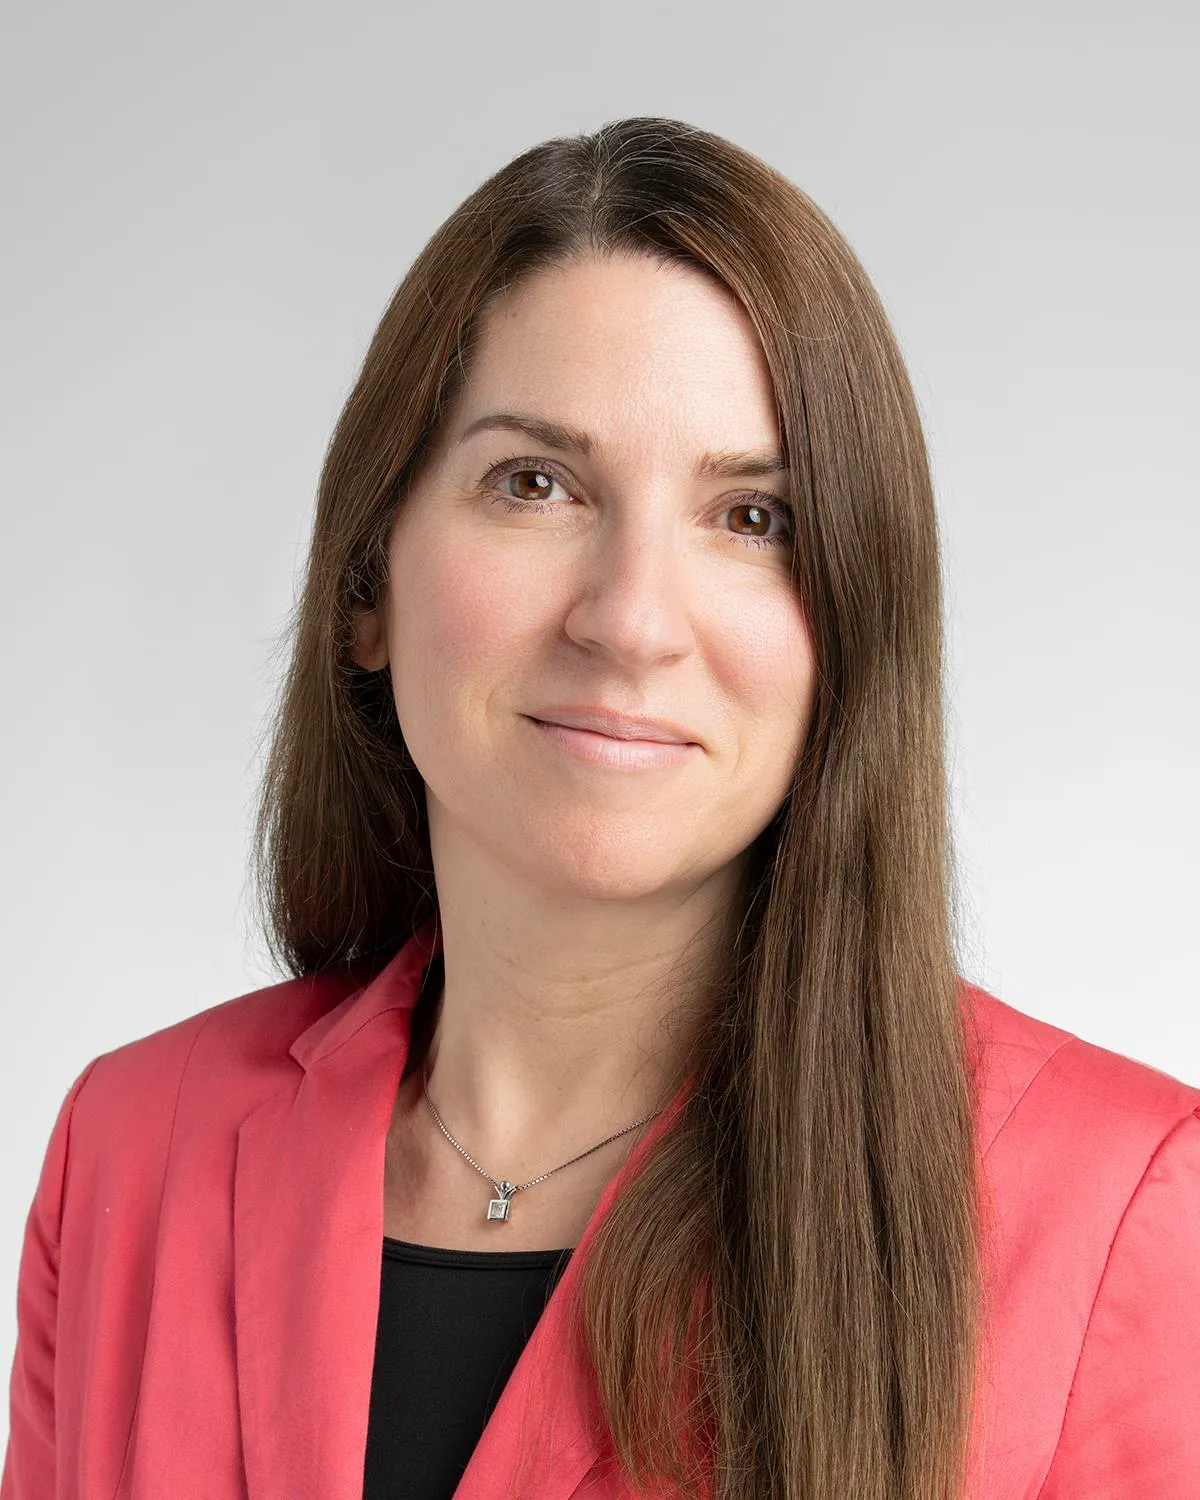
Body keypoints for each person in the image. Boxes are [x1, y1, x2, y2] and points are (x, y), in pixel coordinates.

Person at [3, 116, 1198, 1500]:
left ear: (853, 626)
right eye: (537, 484)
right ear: (368, 584)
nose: (631, 621)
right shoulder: (133, 1152)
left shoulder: (1123, 1213)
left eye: (754, 518)